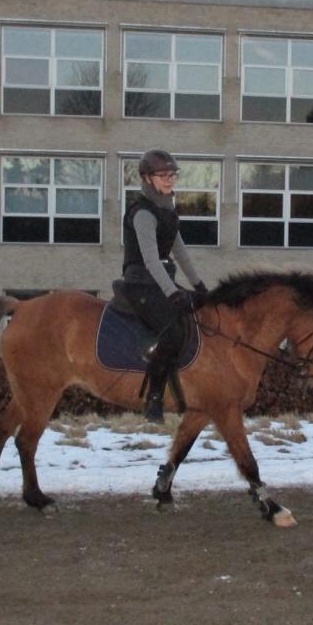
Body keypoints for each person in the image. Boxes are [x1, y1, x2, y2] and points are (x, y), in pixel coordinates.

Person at [121, 149, 208, 422]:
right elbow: (150, 261)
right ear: (147, 178)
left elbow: (179, 251)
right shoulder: (143, 213)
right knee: (172, 331)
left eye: (172, 175)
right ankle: (154, 399)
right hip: (141, 283)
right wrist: (173, 293)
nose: (169, 180)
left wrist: (198, 285)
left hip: (161, 280)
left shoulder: (167, 209)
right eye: (163, 176)